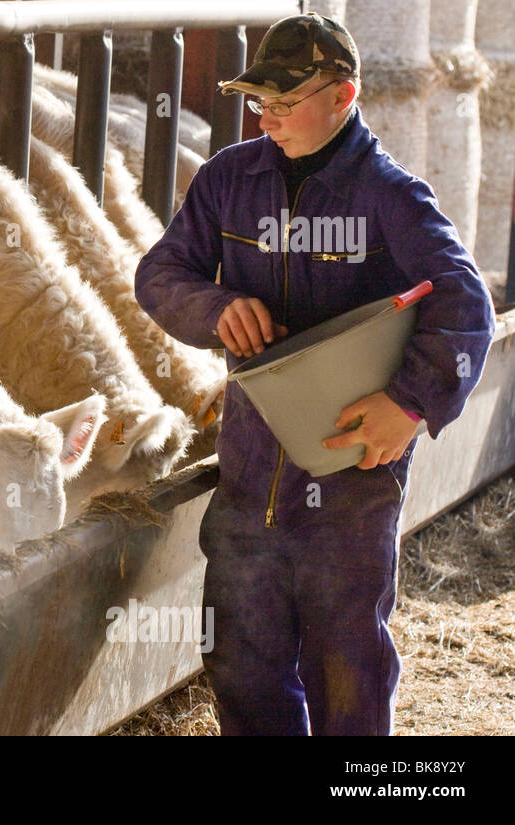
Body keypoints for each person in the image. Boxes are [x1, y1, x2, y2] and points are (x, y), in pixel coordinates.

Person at [134, 12, 496, 735]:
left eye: (285, 103)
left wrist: (411, 405)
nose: (266, 118)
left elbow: (467, 305)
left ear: (344, 96)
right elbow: (159, 274)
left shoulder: (391, 197)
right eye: (259, 101)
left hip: (352, 474)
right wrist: (217, 305)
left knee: (346, 662)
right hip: (249, 465)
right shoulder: (228, 181)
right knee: (239, 658)